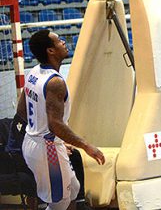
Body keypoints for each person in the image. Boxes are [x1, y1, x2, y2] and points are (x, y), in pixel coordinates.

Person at [15, 30, 104, 210]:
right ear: (51, 51)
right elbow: (55, 124)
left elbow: (21, 110)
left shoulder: (34, 72)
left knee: (74, 190)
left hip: (34, 142)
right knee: (60, 201)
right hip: (46, 148)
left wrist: (52, 138)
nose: (63, 42)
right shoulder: (55, 82)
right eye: (59, 41)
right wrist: (86, 146)